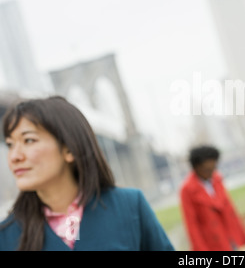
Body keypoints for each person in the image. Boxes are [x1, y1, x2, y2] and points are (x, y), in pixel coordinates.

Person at [0, 96, 174, 251]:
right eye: (10, 145)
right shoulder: (6, 235)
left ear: (69, 149)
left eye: (29, 140)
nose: (14, 156)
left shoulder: (129, 206)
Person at [180, 145, 245, 251]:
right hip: (212, 245)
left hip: (231, 241)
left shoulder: (217, 179)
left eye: (213, 168)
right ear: (197, 168)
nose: (211, 173)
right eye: (207, 170)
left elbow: (231, 212)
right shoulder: (187, 190)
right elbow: (192, 226)